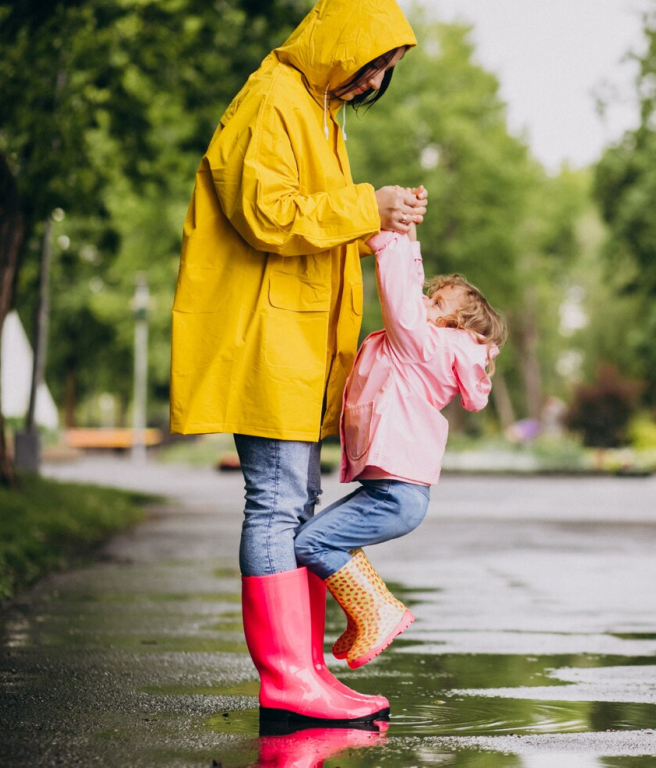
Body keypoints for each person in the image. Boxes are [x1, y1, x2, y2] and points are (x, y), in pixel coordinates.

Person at [169, 0, 427, 725]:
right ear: (342, 44)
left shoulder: (315, 107)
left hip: (295, 345)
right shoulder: (274, 97)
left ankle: (306, 668)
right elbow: (268, 212)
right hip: (268, 342)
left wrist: (377, 214)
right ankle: (286, 677)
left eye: (387, 72)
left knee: (293, 503)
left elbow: (318, 216)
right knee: (278, 504)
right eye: (373, 63)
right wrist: (365, 205)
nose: (375, 82)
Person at [294, 223, 506, 670]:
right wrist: (407, 236)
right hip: (393, 494)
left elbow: (400, 298)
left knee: (311, 544)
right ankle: (366, 610)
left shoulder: (424, 345)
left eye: (436, 302)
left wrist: (390, 241)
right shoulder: (428, 345)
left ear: (452, 324)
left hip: (395, 495)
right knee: (311, 541)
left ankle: (377, 609)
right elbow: (409, 297)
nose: (425, 303)